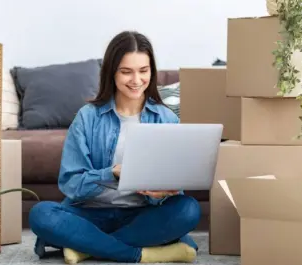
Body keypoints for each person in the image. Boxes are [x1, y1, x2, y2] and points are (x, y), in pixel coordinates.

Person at [28, 31, 201, 264]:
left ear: (152, 71)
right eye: (126, 71)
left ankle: (87, 247)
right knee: (41, 215)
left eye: (143, 70)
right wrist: (113, 172)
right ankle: (139, 253)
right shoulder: (88, 117)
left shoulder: (166, 118)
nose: (136, 80)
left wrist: (161, 193)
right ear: (112, 72)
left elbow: (174, 188)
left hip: (142, 214)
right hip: (91, 214)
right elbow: (71, 183)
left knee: (188, 209)